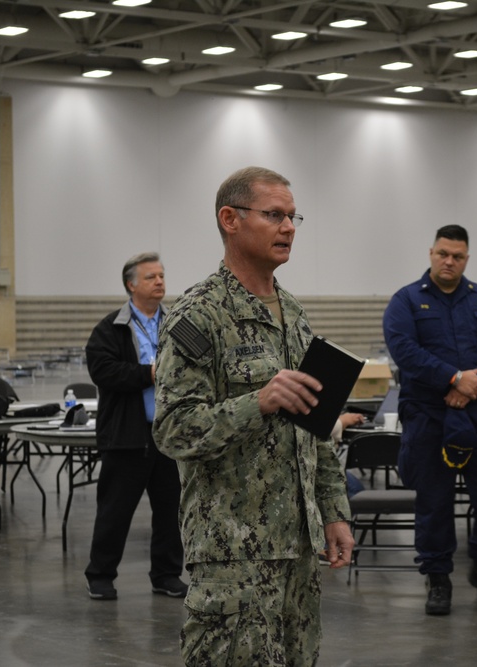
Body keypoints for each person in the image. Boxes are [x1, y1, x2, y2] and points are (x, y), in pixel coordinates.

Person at [153, 166, 353, 666]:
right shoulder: (198, 315)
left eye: (292, 217)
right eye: (274, 215)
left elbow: (315, 424)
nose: (288, 227)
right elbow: (173, 429)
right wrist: (257, 402)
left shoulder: (293, 313)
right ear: (231, 219)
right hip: (233, 553)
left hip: (297, 549)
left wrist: (333, 511)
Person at [382, 224, 477, 616]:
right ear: (431, 253)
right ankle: (438, 578)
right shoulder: (406, 300)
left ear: (466, 259)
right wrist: (454, 378)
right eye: (443, 253)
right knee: (434, 501)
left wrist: (470, 386)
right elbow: (404, 351)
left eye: (457, 256)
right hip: (429, 415)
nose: (449, 261)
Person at [83, 252, 186, 600]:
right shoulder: (110, 328)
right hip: (127, 436)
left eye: (161, 275)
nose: (159, 282)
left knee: (170, 511)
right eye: (150, 277)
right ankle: (100, 575)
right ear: (131, 285)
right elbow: (103, 371)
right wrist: (150, 374)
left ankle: (167, 574)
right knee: (115, 511)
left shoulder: (177, 323)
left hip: (168, 434)